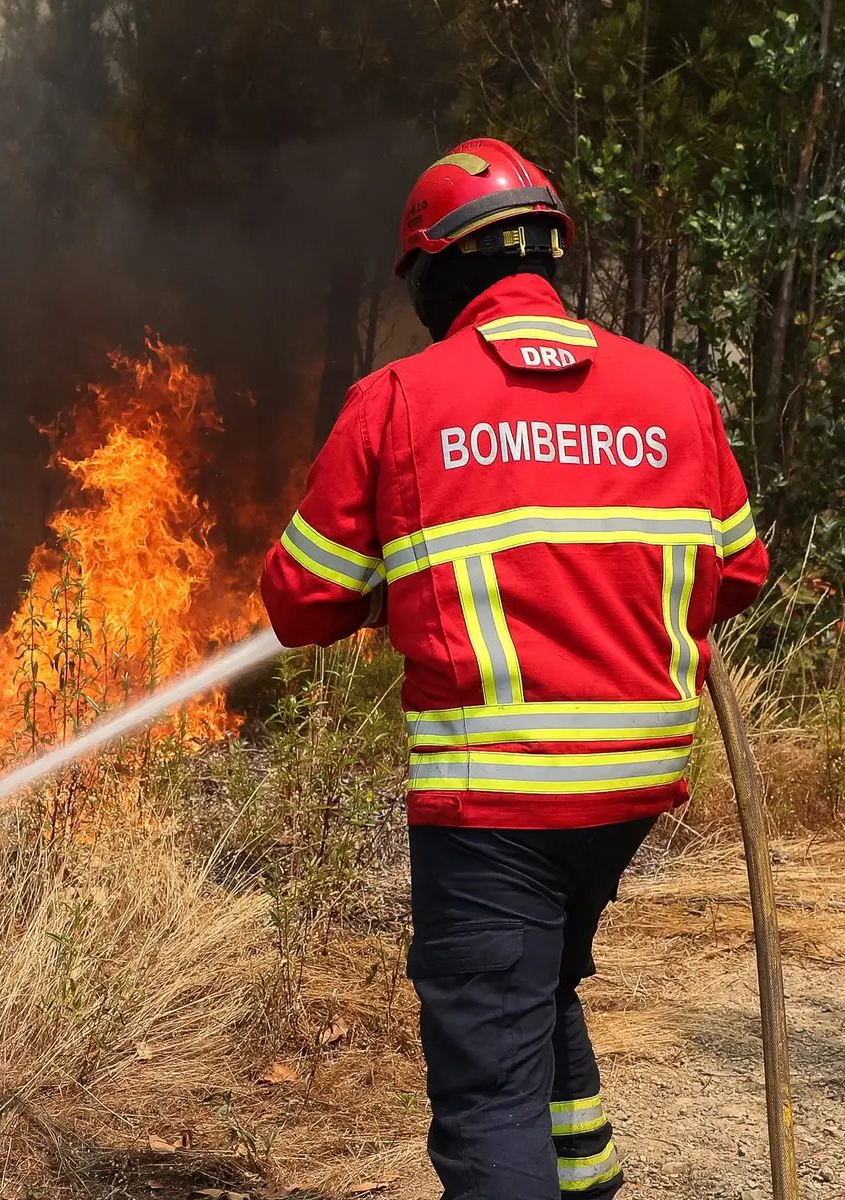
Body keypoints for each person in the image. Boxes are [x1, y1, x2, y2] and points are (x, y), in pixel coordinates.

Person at [259, 137, 769, 1199]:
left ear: (435, 272)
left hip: (495, 809)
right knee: (538, 986)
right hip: (632, 793)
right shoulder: (675, 393)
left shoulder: (400, 401)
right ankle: (585, 1176)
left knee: (488, 1089)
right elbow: (739, 572)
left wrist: (391, 580)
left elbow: (300, 601)